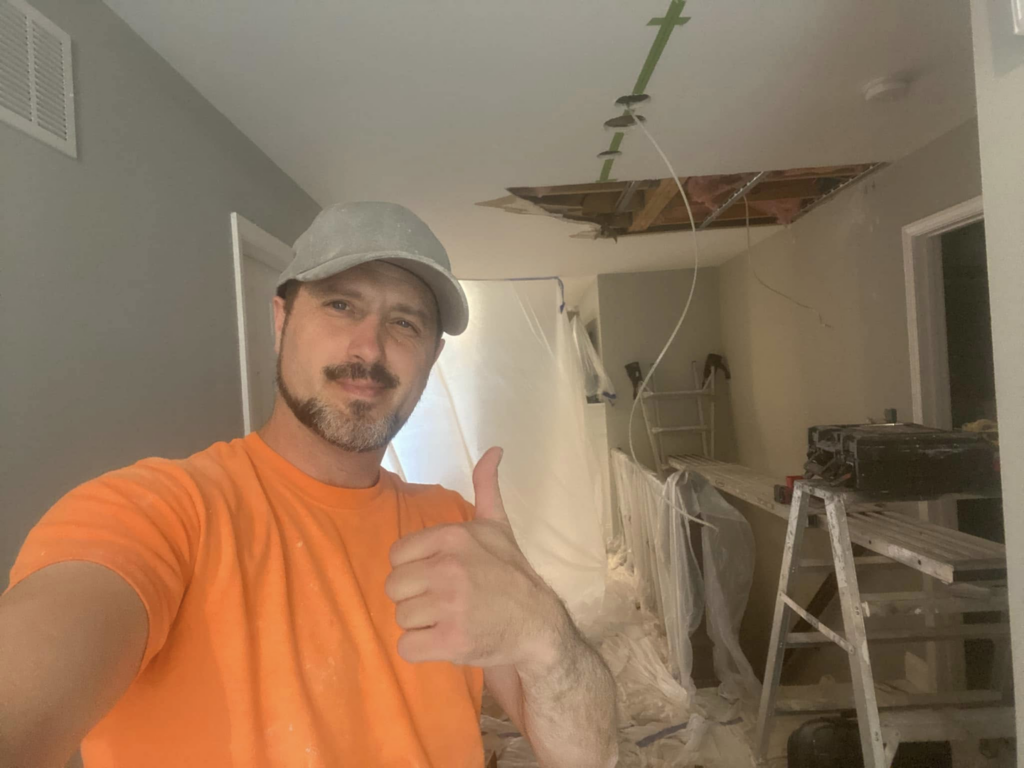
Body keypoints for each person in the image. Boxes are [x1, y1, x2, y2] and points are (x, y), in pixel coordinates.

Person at [0, 202, 618, 768]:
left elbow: (590, 757)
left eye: (406, 323)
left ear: (429, 358)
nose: (368, 347)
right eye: (341, 305)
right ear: (280, 319)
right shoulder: (160, 513)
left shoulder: (455, 529)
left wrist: (547, 634)